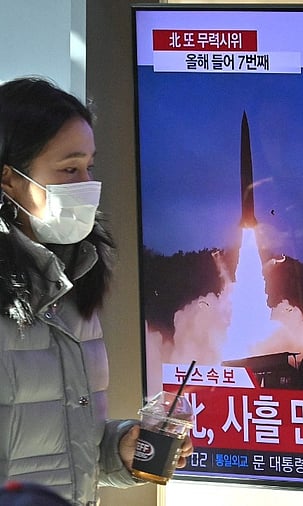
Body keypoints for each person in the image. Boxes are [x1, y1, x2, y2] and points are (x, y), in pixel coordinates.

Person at [0, 76, 190, 505]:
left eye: (90, 167)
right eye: (69, 169)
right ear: (8, 179)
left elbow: (58, 442)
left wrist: (120, 449)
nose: (87, 184)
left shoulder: (74, 275)